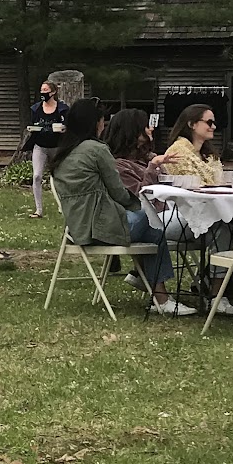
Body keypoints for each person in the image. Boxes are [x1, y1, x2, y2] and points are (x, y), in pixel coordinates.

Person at [49, 98, 195, 315]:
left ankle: (157, 294)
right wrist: (142, 207)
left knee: (154, 230)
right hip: (101, 228)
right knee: (151, 219)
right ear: (95, 123)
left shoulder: (64, 151)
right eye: (102, 120)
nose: (103, 125)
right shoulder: (97, 149)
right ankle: (159, 296)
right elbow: (119, 193)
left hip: (76, 228)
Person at [22, 81, 70, 219]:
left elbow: (67, 125)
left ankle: (63, 206)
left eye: (46, 90)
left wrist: (63, 129)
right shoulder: (36, 109)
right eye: (41, 90)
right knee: (37, 176)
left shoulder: (62, 109)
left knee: (59, 176)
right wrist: (33, 129)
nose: (43, 93)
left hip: (57, 147)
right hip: (40, 146)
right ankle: (38, 210)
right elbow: (33, 124)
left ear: (53, 92)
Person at [155, 104, 225, 186]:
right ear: (192, 124)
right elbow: (193, 185)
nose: (214, 127)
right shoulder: (177, 152)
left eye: (214, 123)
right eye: (209, 122)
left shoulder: (209, 155)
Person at [105, 107, 158, 199]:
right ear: (132, 130)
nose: (151, 128)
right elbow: (141, 196)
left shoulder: (145, 158)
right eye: (146, 126)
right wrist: (153, 166)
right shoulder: (118, 166)